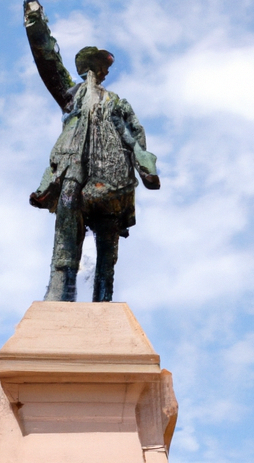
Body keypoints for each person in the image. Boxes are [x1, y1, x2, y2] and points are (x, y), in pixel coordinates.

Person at [24, 0, 160, 302]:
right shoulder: (71, 95)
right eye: (101, 65)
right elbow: (47, 59)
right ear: (90, 67)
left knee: (107, 244)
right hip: (74, 169)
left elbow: (135, 133)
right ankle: (60, 290)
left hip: (114, 176)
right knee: (67, 228)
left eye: (106, 66)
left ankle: (103, 300)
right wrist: (34, 18)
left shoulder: (118, 102)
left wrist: (144, 165)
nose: (105, 71)